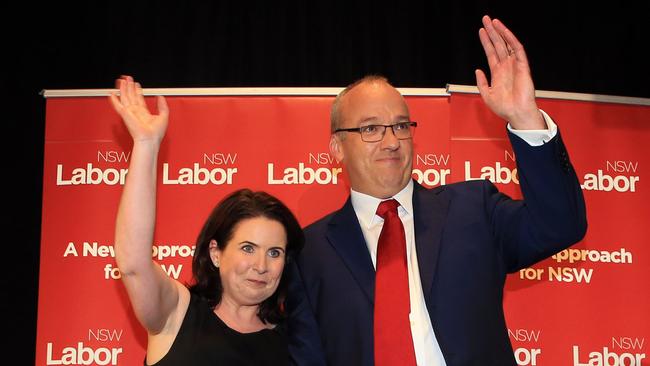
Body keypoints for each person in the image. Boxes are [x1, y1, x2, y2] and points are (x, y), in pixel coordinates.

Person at [286, 15, 587, 366]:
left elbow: (561, 225)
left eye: (401, 125)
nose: (391, 141)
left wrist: (524, 119)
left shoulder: (473, 210)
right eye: (370, 129)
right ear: (336, 147)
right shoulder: (309, 253)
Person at [109, 75, 304, 366]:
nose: (261, 266)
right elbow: (134, 265)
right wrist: (146, 145)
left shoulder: (292, 342)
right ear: (215, 252)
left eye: (274, 252)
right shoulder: (177, 313)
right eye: (248, 248)